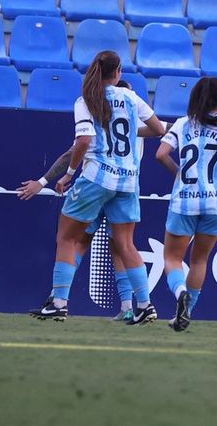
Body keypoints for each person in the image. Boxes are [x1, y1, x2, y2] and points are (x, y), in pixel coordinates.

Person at [29, 51, 165, 322]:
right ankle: (144, 304)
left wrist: (68, 174)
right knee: (126, 244)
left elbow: (81, 142)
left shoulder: (86, 100)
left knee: (68, 238)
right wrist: (129, 128)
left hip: (97, 178)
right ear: (117, 73)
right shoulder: (130, 97)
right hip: (127, 181)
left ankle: (58, 302)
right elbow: (159, 129)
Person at [156, 77, 217, 332]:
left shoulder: (182, 124)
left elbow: (160, 155)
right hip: (216, 202)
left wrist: (178, 172)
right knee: (199, 259)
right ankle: (187, 310)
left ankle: (180, 296)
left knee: (172, 258)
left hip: (184, 200)